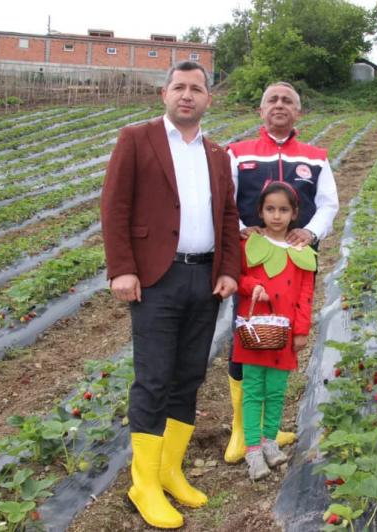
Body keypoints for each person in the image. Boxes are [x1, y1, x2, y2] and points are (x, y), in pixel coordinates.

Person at [101, 61, 240, 529]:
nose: (187, 95)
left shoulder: (217, 153)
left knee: (189, 376)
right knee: (154, 378)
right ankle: (143, 484)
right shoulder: (136, 139)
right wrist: (122, 268)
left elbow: (227, 216)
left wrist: (228, 269)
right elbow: (114, 207)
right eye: (179, 87)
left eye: (196, 88)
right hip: (156, 278)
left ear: (208, 99)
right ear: (164, 94)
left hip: (204, 278)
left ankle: (169, 471)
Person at [223, 81, 338, 463]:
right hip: (252, 263)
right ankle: (242, 430)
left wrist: (311, 232)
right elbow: (226, 201)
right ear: (261, 110)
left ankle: (268, 431)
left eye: (287, 100)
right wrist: (243, 229)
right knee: (246, 332)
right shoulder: (238, 153)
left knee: (285, 334)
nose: (279, 105)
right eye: (272, 99)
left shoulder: (315, 158)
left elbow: (328, 204)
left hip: (294, 261)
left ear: (298, 111)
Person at [232, 181, 315, 480]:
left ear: (294, 213)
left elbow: (306, 294)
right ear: (260, 212)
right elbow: (237, 277)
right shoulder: (249, 245)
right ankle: (253, 449)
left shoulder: (302, 251)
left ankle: (270, 440)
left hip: (284, 334)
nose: (276, 216)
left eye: (283, 210)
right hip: (254, 332)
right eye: (270, 209)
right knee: (253, 389)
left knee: (277, 390)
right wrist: (253, 285)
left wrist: (301, 330)